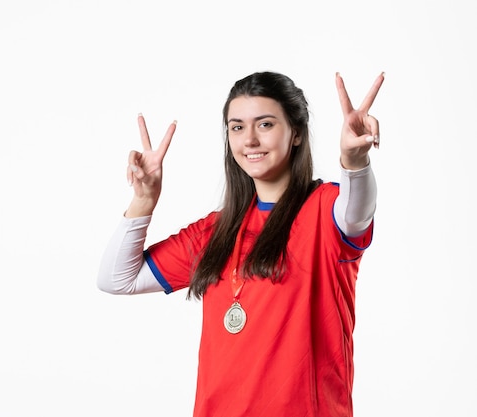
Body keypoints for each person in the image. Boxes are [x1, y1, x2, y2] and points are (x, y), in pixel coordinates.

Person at [97, 70, 384, 417]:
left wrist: (355, 162)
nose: (249, 139)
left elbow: (357, 211)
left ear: (295, 133)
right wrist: (144, 200)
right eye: (237, 127)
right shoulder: (216, 230)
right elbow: (116, 279)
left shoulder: (326, 210)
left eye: (264, 124)